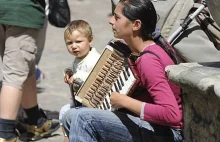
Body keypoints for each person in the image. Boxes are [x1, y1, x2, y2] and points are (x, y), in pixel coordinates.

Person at [61, 0, 183, 142]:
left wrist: (124, 101)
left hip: (168, 133)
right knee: (69, 115)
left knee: (83, 118)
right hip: (152, 126)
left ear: (136, 25)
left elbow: (172, 114)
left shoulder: (148, 60)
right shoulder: (141, 49)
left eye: (117, 17)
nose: (110, 21)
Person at [0, 0, 60, 142]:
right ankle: (5, 134)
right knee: (15, 74)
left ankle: (36, 120)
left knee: (26, 67)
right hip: (22, 12)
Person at [59, 20, 100, 142]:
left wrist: (76, 77)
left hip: (92, 104)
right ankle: (67, 138)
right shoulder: (80, 58)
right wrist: (69, 72)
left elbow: (92, 77)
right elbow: (75, 70)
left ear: (90, 40)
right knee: (64, 111)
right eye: (69, 43)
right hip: (78, 101)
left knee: (69, 114)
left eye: (78, 42)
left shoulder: (94, 59)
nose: (74, 46)